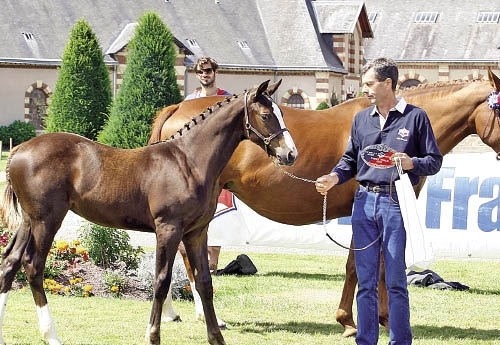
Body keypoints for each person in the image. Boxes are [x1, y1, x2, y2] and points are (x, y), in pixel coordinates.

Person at [315, 57, 442, 345]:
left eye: (369, 83)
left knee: (396, 281)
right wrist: (334, 177)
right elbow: (350, 159)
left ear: (388, 83)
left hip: (396, 203)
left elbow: (434, 161)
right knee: (366, 281)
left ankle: (400, 341)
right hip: (364, 204)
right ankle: (366, 340)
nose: (365, 89)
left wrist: (412, 163)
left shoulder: (416, 117)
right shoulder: (361, 118)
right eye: (364, 84)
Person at [185, 57, 231, 273]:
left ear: (215, 72)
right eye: (201, 71)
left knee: (218, 210)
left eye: (209, 70)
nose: (205, 74)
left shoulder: (226, 99)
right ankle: (193, 258)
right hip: (193, 164)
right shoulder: (190, 100)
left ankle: (213, 261)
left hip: (220, 164)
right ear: (196, 74)